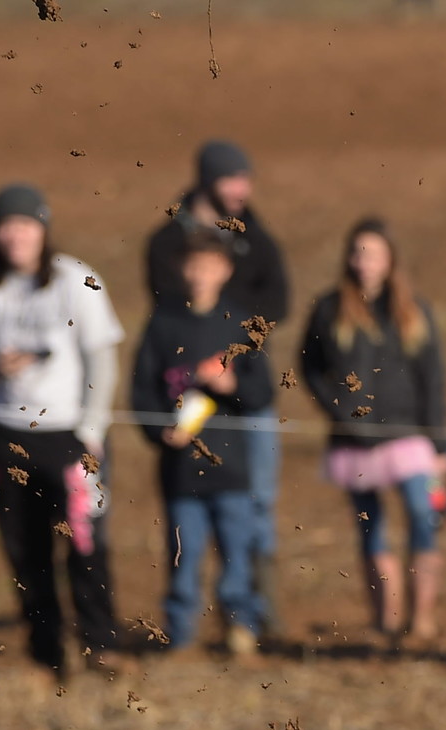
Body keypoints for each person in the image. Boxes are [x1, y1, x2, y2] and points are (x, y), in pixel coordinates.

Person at [0, 183, 125, 677]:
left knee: (85, 543)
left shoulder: (75, 280)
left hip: (70, 434)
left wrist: (92, 431)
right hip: (8, 434)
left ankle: (100, 642)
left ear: (43, 229)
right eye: (7, 225)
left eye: (26, 224)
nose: (16, 235)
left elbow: (102, 359)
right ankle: (45, 650)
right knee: (25, 550)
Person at [145, 139, 290, 634]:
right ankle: (188, 625)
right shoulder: (165, 242)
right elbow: (164, 310)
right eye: (233, 179)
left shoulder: (255, 233)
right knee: (191, 528)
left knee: (256, 502)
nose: (242, 189)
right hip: (184, 400)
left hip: (243, 392)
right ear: (208, 180)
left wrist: (237, 335)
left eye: (246, 179)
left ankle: (258, 616)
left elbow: (279, 298)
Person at [298, 218, 446, 649]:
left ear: (391, 260)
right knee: (371, 528)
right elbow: (309, 367)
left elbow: (433, 378)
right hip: (355, 441)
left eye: (375, 253)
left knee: (423, 515)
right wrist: (339, 410)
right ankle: (386, 621)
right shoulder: (329, 309)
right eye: (359, 252)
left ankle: (422, 622)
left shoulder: (414, 310)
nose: (366, 263)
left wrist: (440, 446)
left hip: (408, 437)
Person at [132, 227, 276, 657]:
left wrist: (230, 383)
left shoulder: (241, 324)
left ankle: (241, 628)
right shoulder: (162, 323)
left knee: (236, 552)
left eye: (211, 266)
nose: (201, 274)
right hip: (180, 472)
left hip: (231, 468)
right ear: (182, 268)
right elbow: (141, 391)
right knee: (183, 554)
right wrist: (159, 431)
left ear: (226, 270)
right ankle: (181, 634)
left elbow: (263, 393)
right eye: (194, 265)